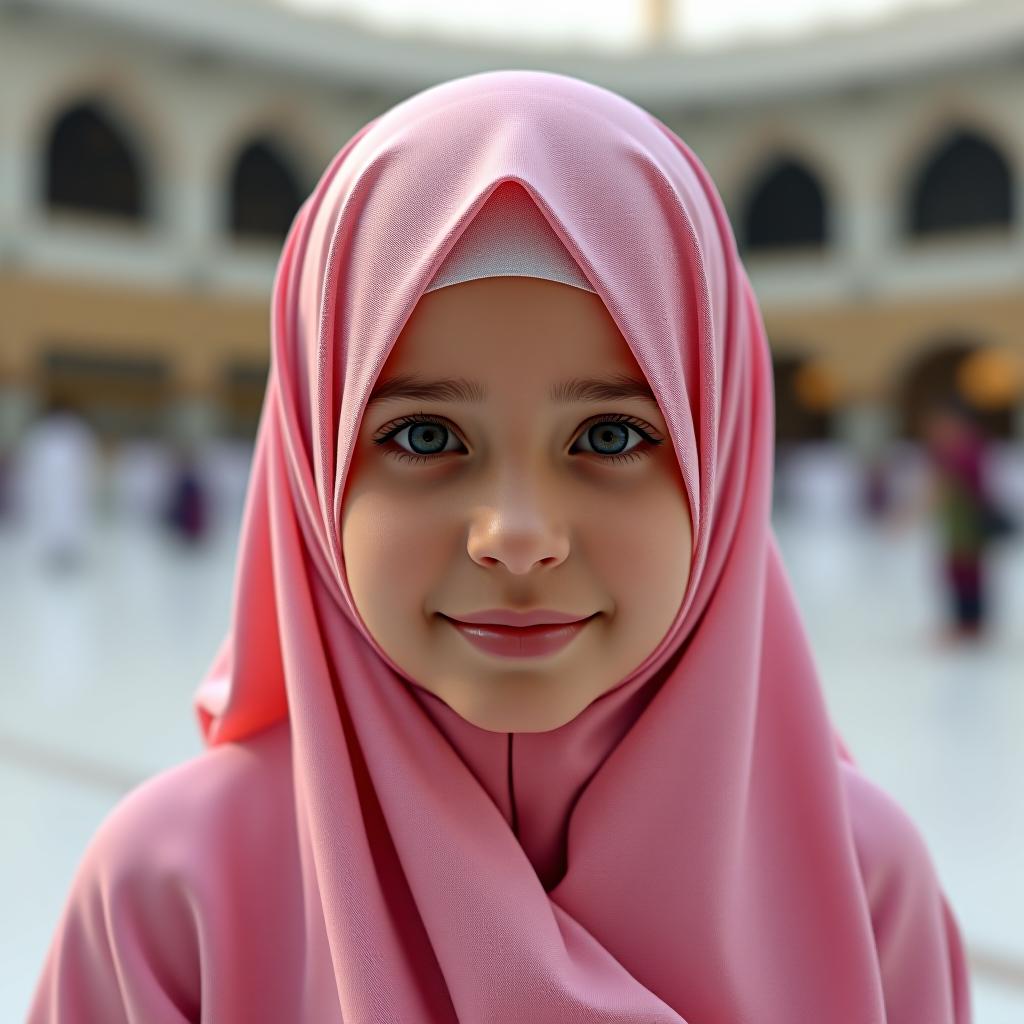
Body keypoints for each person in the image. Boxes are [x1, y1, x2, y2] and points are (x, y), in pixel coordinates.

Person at [27, 70, 971, 1022]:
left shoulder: (862, 884)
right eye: (425, 437)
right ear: (314, 469)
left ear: (717, 462)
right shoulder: (173, 895)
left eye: (610, 437)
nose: (517, 538)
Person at [922, 397, 1006, 641]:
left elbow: (942, 487)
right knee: (960, 570)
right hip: (959, 520)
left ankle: (968, 625)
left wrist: (907, 517)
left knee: (966, 571)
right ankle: (967, 623)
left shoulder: (962, 449)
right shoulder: (960, 447)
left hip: (969, 521)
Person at [15, 395, 101, 572]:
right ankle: (55, 557)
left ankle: (65, 557)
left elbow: (88, 463)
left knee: (67, 522)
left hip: (67, 490)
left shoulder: (75, 431)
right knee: (53, 523)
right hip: (54, 490)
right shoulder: (42, 432)